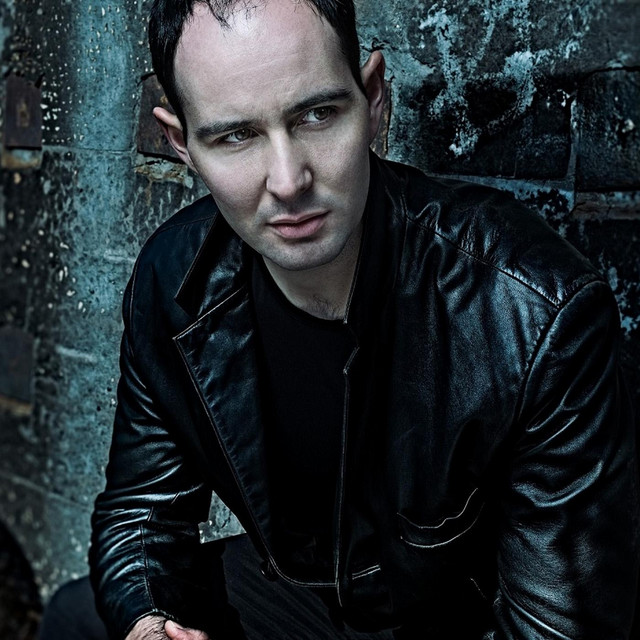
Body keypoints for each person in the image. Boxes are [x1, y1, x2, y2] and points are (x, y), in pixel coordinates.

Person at [88, 0, 640, 638]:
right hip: (322, 594)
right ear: (181, 144)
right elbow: (141, 512)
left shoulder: (534, 312)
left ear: (374, 99)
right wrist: (150, 623)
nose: (288, 181)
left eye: (317, 114)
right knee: (80, 614)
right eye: (235, 136)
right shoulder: (173, 281)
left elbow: (559, 628)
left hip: (468, 622)